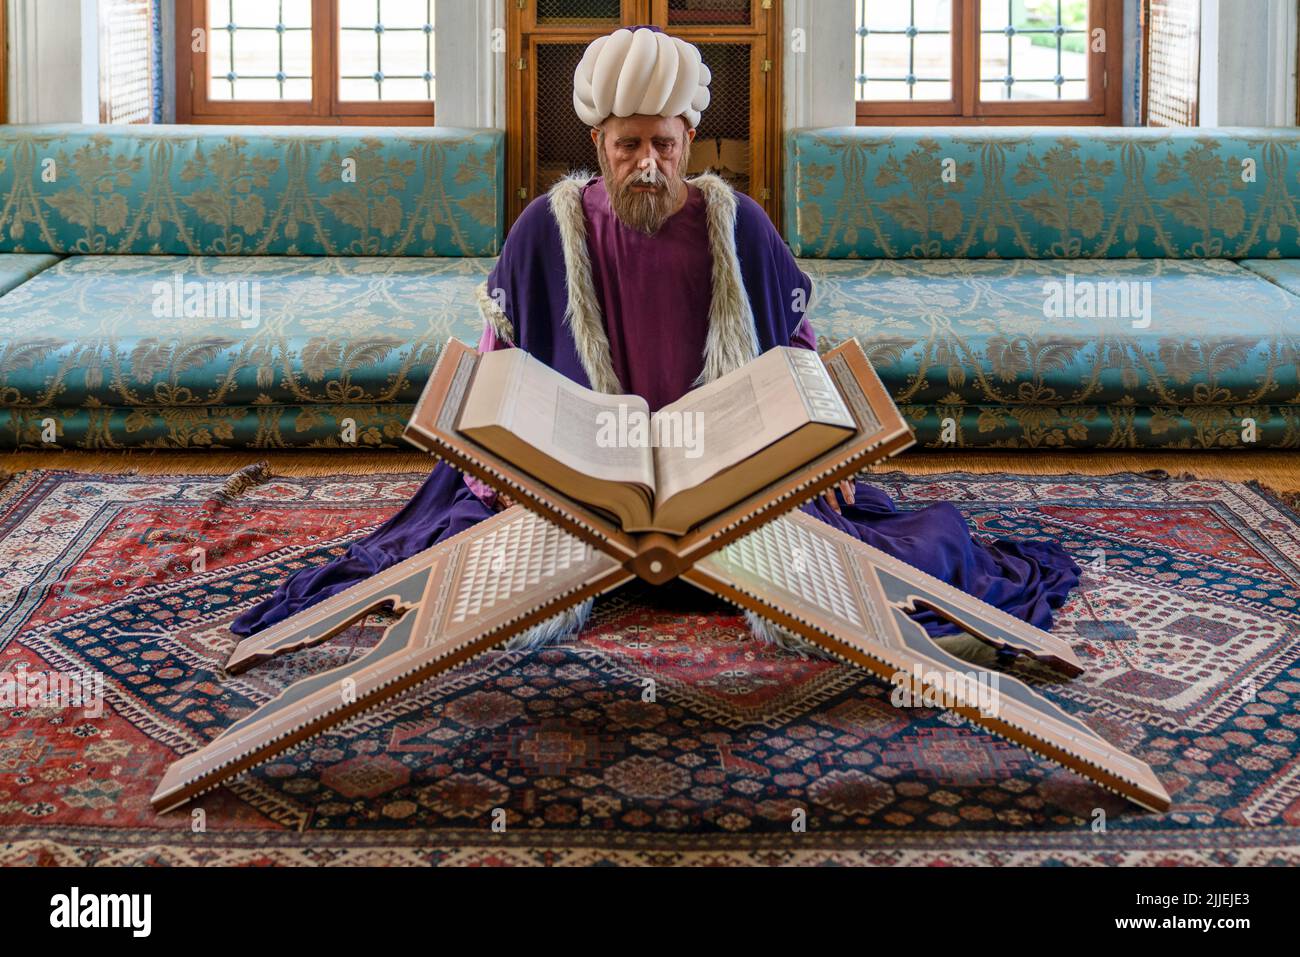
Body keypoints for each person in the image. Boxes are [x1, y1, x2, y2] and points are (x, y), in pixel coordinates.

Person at [232, 25, 1081, 659]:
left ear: (689, 143)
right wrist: (495, 469)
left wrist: (833, 462)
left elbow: (797, 343)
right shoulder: (546, 228)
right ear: (598, 145)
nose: (647, 163)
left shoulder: (735, 222)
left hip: (728, 476)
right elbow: (503, 359)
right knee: (470, 584)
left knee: (838, 577)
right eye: (628, 145)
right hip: (589, 482)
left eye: (663, 145)